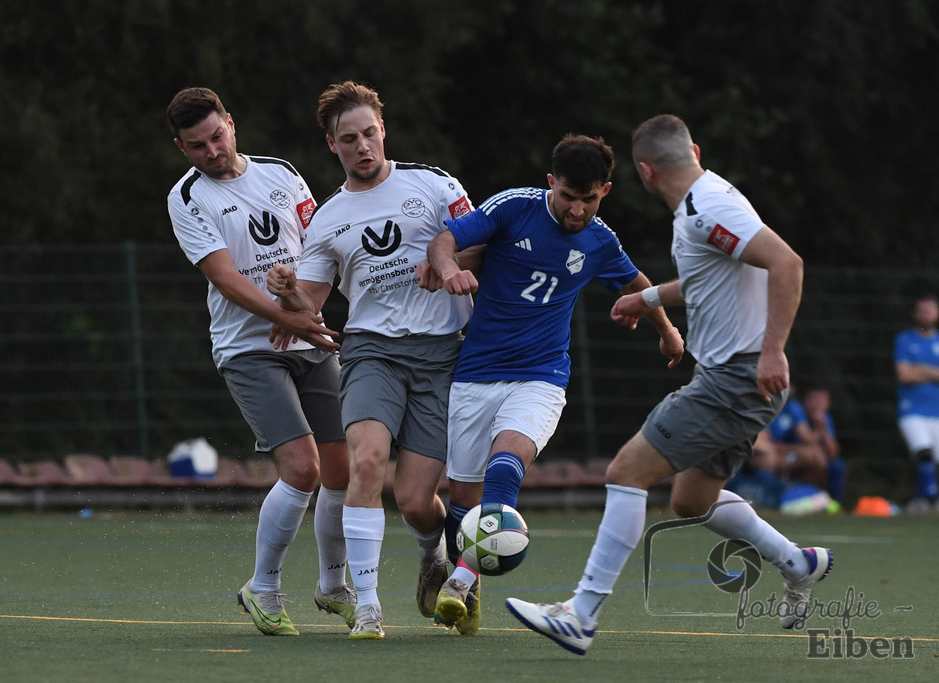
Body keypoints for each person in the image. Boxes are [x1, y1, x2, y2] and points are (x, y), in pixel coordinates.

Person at [505, 114, 833, 655]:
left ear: (645, 170)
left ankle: (579, 614)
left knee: (626, 471)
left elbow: (787, 263)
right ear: (694, 151)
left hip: (738, 377)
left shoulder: (708, 208)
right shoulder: (708, 200)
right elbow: (713, 276)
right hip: (739, 379)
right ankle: (798, 563)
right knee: (690, 499)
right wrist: (648, 298)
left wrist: (772, 349)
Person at [424, 134, 684, 636]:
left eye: (589, 199)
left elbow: (636, 283)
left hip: (542, 376)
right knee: (462, 496)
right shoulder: (514, 207)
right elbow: (444, 241)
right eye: (569, 196)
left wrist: (669, 332)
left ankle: (460, 580)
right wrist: (449, 269)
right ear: (552, 184)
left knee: (507, 462)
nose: (577, 209)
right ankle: (470, 581)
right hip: (476, 374)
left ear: (605, 191)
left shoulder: (599, 240)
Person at [266, 81, 479, 640]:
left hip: (441, 355)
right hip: (371, 351)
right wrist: (285, 290)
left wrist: (448, 259)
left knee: (415, 501)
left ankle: (434, 556)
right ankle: (368, 607)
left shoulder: (435, 186)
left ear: (383, 132)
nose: (362, 146)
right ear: (331, 145)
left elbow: (481, 244)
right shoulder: (328, 217)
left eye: (369, 134)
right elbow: (308, 306)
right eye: (348, 139)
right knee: (365, 465)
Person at [165, 87, 353, 636]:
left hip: (307, 336)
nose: (212, 151)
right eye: (197, 146)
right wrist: (286, 315)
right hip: (249, 349)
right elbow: (222, 276)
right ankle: (263, 587)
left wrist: (303, 308)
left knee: (344, 468)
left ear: (231, 122)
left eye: (217, 136)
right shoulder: (187, 198)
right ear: (182, 148)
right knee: (303, 469)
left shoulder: (282, 173)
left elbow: (321, 245)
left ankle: (332, 585)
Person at [894, 293, 939, 513]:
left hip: (936, 411)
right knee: (924, 454)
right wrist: (933, 372)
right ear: (915, 314)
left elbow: (912, 372)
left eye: (929, 310)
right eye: (921, 310)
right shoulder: (904, 340)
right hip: (912, 411)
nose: (925, 315)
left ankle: (922, 499)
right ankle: (929, 501)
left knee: (932, 461)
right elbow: (904, 375)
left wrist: (918, 370)